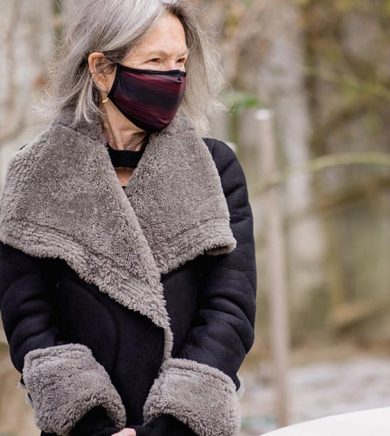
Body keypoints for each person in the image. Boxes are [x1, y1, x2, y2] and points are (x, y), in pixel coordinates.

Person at [0, 1, 256, 435]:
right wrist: (90, 423)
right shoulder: (37, 174)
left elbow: (231, 307)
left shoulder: (215, 167)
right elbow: (29, 316)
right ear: (101, 70)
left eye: (180, 62)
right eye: (155, 61)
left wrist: (174, 422)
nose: (173, 77)